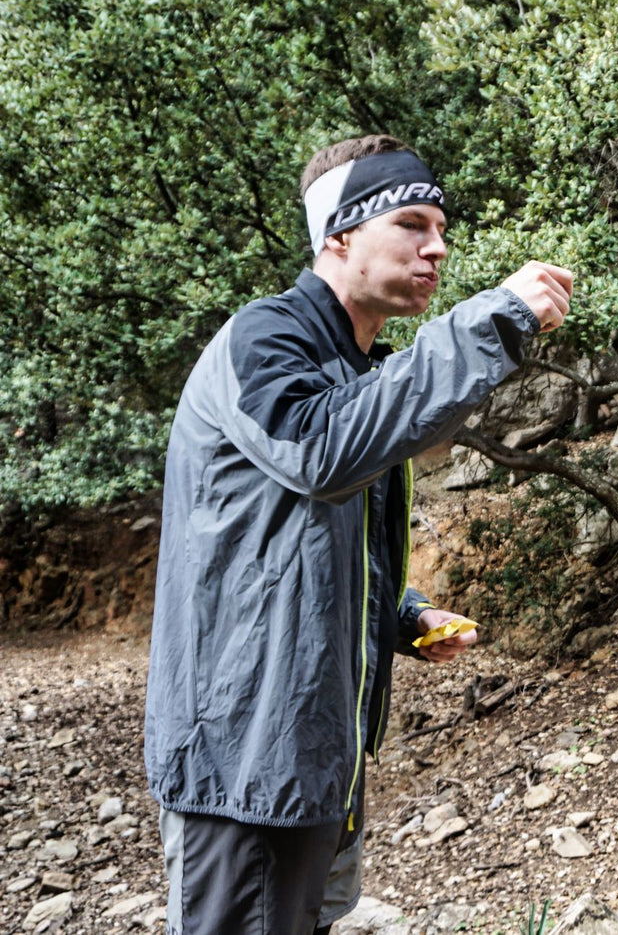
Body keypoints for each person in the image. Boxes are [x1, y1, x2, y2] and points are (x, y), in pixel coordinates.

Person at [144, 134, 572, 934]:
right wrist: (494, 320)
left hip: (312, 753)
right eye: (412, 222)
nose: (437, 245)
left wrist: (401, 616)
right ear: (337, 235)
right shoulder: (263, 339)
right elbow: (318, 452)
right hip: (243, 753)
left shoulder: (350, 370)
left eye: (441, 228)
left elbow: (296, 538)